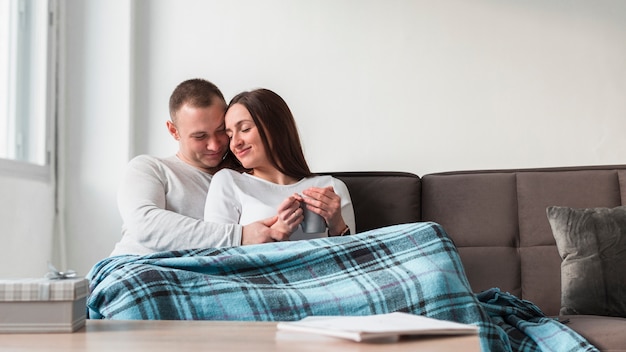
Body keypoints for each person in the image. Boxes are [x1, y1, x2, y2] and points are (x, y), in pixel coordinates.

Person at [110, 79, 289, 256]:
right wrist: (240, 235)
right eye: (200, 136)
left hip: (202, 278)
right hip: (136, 265)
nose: (214, 145)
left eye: (221, 131)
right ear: (174, 131)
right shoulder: (150, 168)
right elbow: (144, 223)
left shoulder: (243, 179)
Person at [203, 88, 355, 241]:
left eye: (245, 129)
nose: (235, 143)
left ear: (276, 126)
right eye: (230, 136)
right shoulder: (228, 182)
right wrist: (276, 232)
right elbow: (216, 256)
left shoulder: (330, 188)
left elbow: (356, 260)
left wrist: (337, 226)